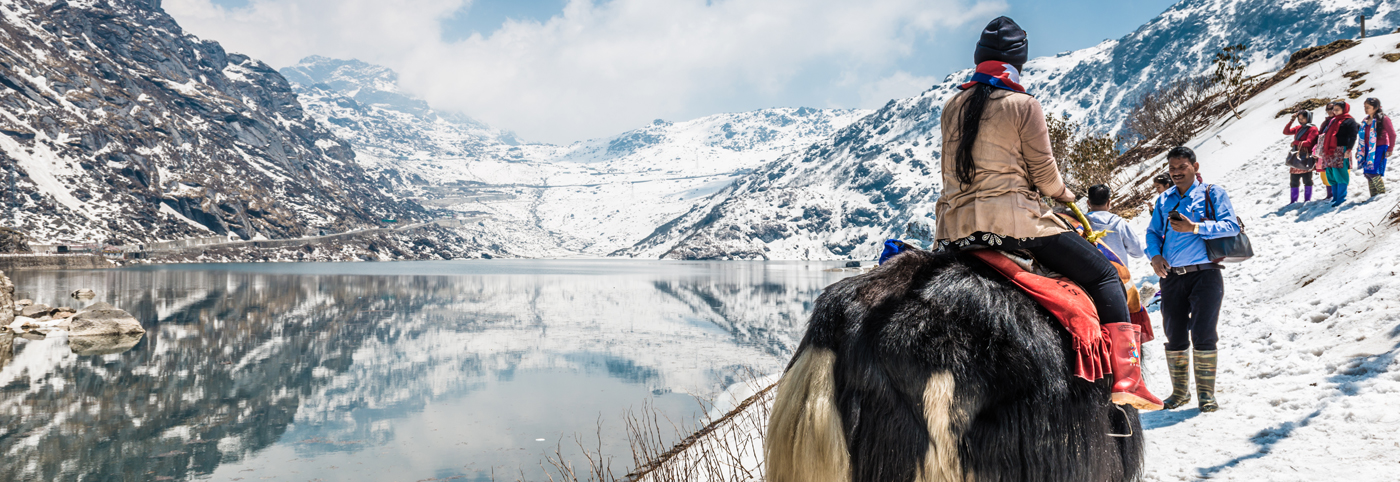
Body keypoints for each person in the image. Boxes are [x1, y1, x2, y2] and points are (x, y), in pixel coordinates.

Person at [934, 16, 1161, 411]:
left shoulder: (953, 104)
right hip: (1015, 226)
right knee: (1105, 274)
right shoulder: (1023, 105)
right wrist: (1066, 195)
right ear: (1017, 61)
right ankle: (1127, 377)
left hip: (955, 230)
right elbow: (1045, 177)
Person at [1145, 146, 1241, 413]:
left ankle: (1206, 396)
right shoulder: (1164, 200)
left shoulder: (1213, 193)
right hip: (1172, 277)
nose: (1176, 172)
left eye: (1181, 167)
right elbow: (1152, 232)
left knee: (1204, 333)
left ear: (1195, 168)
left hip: (1206, 274)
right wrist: (1154, 256)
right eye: (1172, 168)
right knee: (1174, 334)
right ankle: (1179, 393)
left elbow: (1230, 225)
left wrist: (1195, 227)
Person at [1315, 101, 1360, 207]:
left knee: (1340, 173)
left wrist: (1348, 149)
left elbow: (1353, 136)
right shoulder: (1333, 121)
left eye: (1337, 110)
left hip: (1341, 150)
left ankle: (1341, 197)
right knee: (1331, 174)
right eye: (1333, 110)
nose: (1334, 112)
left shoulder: (1349, 121)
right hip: (1329, 151)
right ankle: (1335, 197)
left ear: (1344, 109)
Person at [1086, 184, 1145, 263]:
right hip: (1120, 273)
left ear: (1088, 203)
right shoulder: (1119, 223)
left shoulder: (1080, 224)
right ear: (1109, 202)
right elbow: (1138, 252)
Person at [1357, 97, 1394, 197]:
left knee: (1373, 171)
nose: (1366, 109)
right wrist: (1358, 150)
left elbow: (1392, 134)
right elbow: (1362, 137)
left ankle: (1381, 194)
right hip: (1367, 149)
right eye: (1365, 107)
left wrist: (1390, 149)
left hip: (1380, 147)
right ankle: (1373, 196)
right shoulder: (1365, 120)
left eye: (1368, 107)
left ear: (1376, 107)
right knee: (1367, 173)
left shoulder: (1383, 119)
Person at [1283, 110, 1319, 203]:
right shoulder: (1299, 128)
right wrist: (1292, 120)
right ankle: (1293, 201)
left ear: (1308, 118)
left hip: (1306, 157)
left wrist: (1295, 142)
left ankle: (1307, 200)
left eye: (1303, 118)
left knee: (1307, 179)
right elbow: (1286, 132)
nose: (1301, 121)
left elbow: (1309, 143)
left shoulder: (1313, 129)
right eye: (1299, 119)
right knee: (1294, 180)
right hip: (1297, 156)